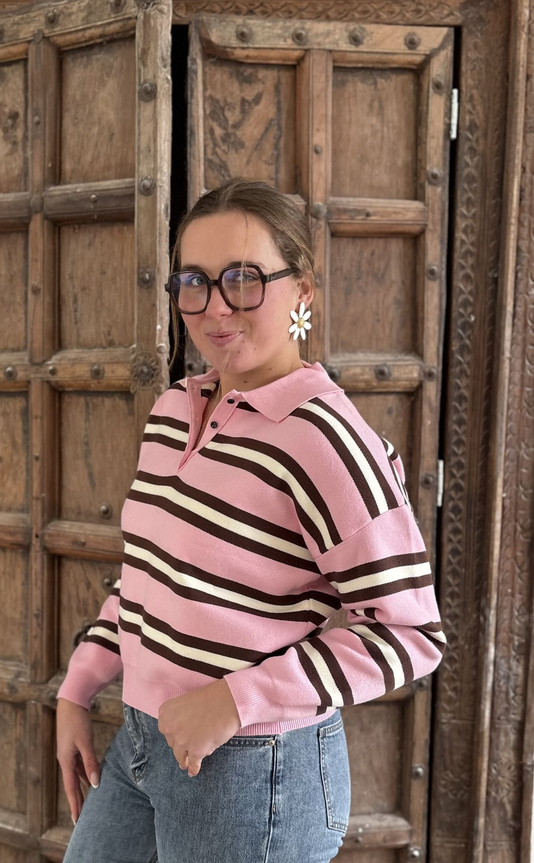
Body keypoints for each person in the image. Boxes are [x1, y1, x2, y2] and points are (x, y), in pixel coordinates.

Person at [56, 177, 447, 863]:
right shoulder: (173, 410)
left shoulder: (325, 439)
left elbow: (411, 634)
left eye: (243, 279)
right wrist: (80, 686)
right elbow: (149, 577)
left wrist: (236, 700)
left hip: (254, 773)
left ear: (303, 291)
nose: (215, 307)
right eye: (194, 282)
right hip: (143, 740)